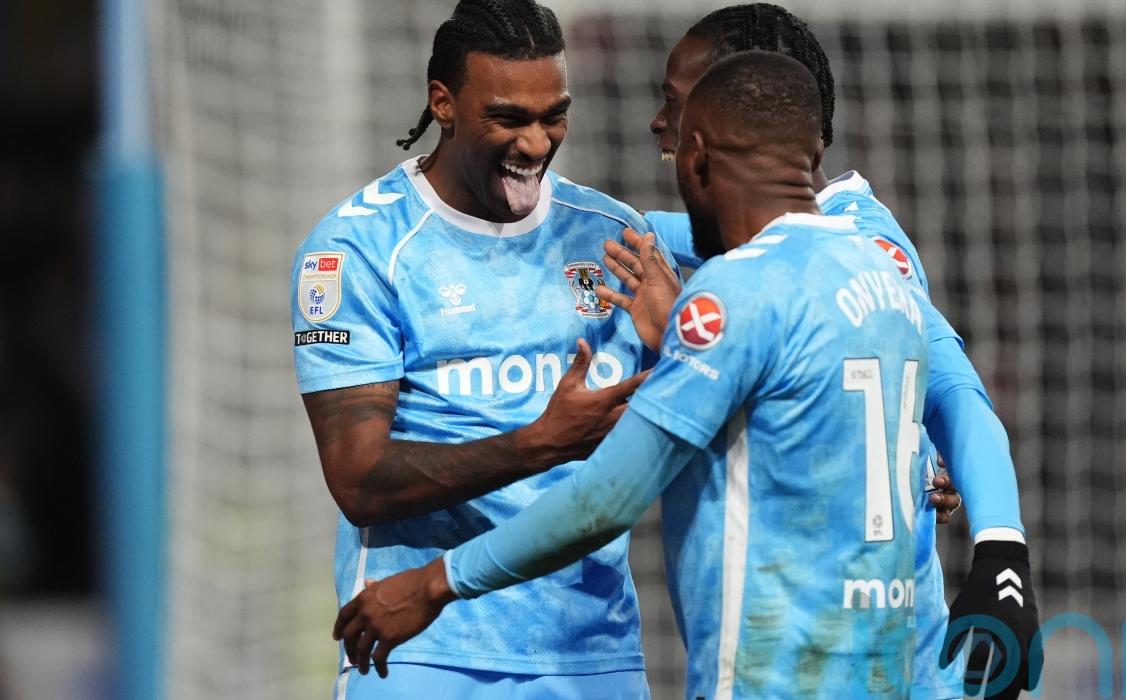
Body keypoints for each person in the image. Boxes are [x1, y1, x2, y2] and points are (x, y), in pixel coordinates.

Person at [334, 51, 933, 699]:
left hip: (773, 673)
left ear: (696, 157)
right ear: (813, 154)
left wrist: (435, 582)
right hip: (887, 666)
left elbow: (606, 498)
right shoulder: (884, 277)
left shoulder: (734, 292)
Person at [635, 5, 1040, 698]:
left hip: (870, 664)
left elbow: (956, 395)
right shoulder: (751, 243)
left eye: (676, 100)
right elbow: (636, 228)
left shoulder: (863, 247)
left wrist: (1002, 553)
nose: (657, 122)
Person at [290, 1, 677, 697]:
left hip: (592, 652)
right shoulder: (358, 249)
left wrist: (674, 341)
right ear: (443, 102)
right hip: (421, 648)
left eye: (553, 116)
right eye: (508, 118)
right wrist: (538, 444)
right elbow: (358, 480)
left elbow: (704, 414)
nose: (535, 142)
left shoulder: (615, 238)